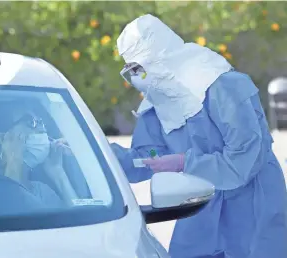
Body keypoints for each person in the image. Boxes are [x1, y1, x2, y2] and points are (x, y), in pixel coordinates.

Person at [111, 14, 287, 258]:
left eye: (139, 67)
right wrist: (95, 155)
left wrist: (184, 162)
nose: (136, 76)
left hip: (250, 203)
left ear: (160, 56)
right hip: (200, 206)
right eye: (130, 69)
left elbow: (244, 159)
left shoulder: (221, 85)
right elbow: (149, 155)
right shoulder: (158, 103)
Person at [0, 108, 78, 207]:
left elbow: (76, 221)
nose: (42, 129)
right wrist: (13, 160)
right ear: (2, 137)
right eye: (31, 122)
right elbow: (4, 217)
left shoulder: (43, 191)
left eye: (41, 122)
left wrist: (59, 174)